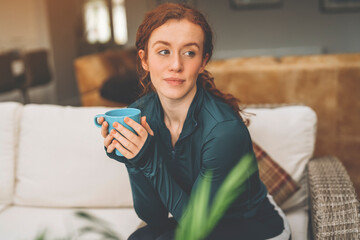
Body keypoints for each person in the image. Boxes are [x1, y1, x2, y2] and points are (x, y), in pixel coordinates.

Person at [97, 3, 290, 240]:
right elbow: (155, 218)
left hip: (253, 226)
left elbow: (196, 227)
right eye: (164, 51)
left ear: (203, 62)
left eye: (189, 52)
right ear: (145, 60)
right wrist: (133, 160)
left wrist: (148, 159)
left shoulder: (223, 130)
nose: (176, 65)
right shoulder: (139, 114)